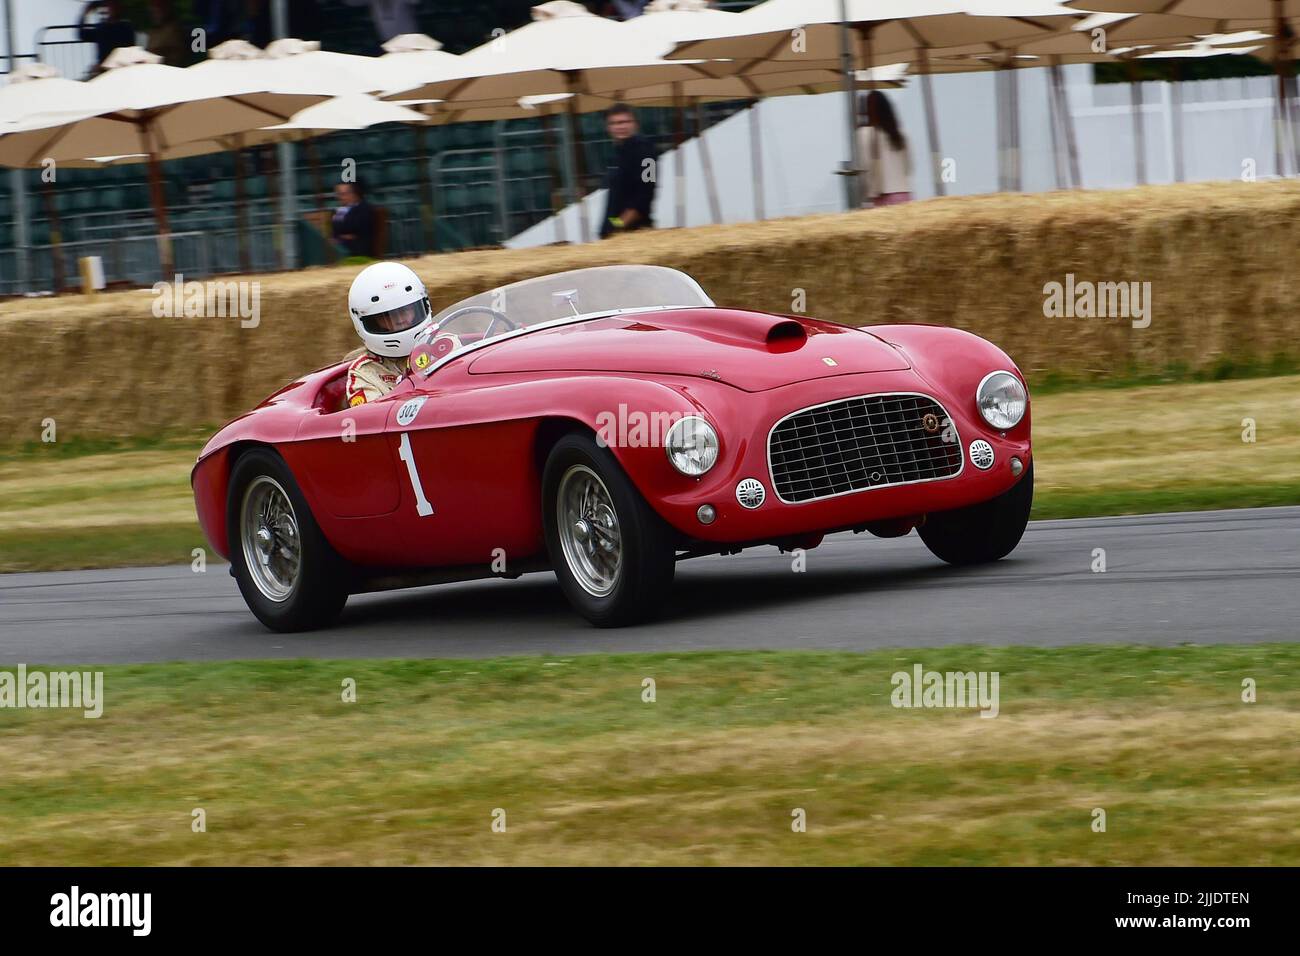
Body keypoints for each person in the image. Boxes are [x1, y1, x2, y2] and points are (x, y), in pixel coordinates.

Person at [344, 262, 434, 406]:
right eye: (387, 317)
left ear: (421, 306)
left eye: (405, 311)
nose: (400, 321)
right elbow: (371, 420)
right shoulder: (365, 373)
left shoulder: (445, 345)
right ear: (368, 322)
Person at [600, 103, 657, 239]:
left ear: (635, 124)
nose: (619, 127)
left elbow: (645, 194)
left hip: (633, 233)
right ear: (608, 128)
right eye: (614, 123)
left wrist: (618, 226)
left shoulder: (646, 151)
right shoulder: (619, 153)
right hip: (616, 233)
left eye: (624, 122)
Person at [857, 91, 913, 208]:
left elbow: (864, 166)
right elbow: (908, 167)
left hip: (881, 197)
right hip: (905, 195)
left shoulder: (864, 134)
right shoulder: (901, 135)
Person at [331, 181, 376, 258]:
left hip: (357, 249)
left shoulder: (364, 208)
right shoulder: (339, 210)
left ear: (354, 193)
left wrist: (340, 237)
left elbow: (357, 229)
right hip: (341, 247)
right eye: (338, 194)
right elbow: (336, 231)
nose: (340, 197)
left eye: (343, 194)